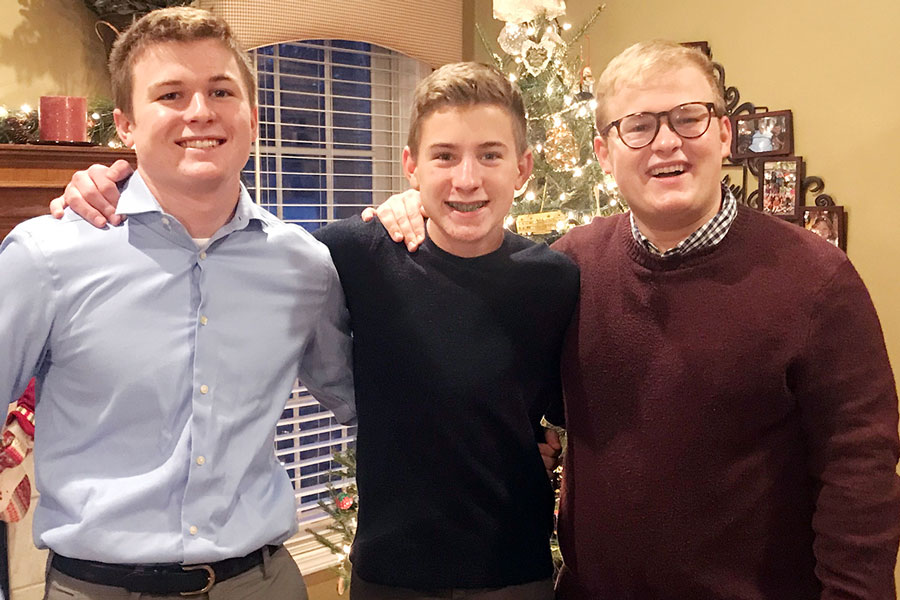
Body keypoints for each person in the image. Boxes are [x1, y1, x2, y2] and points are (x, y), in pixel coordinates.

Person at [293, 41, 900, 599]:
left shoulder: (816, 280)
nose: (666, 143)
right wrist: (409, 208)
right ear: (606, 154)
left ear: (723, 133)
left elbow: (862, 474)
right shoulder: (577, 262)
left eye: (687, 117)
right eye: (638, 126)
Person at [52, 62, 578, 599]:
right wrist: (99, 186)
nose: (467, 178)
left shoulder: (556, 281)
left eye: (490, 154)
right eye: (444, 155)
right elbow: (240, 252)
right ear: (411, 167)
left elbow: (570, 418)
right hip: (389, 573)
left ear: (523, 168)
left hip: (516, 570)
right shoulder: (352, 254)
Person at [1, 7, 355, 599]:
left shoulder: (304, 267)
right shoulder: (46, 256)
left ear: (252, 117)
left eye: (221, 90)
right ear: (125, 125)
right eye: (170, 94)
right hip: (96, 587)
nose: (200, 111)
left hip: (262, 583)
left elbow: (370, 402)